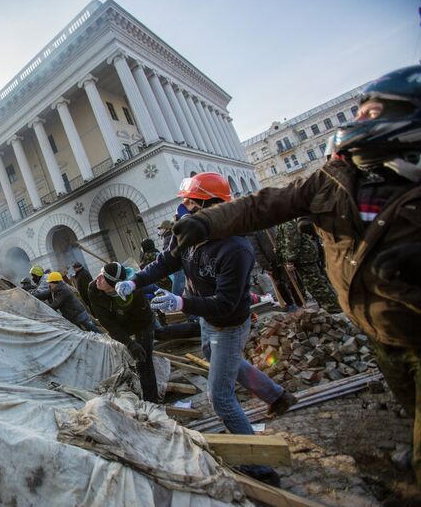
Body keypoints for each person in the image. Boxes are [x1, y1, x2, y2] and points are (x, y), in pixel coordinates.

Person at [168, 66, 421, 482]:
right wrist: (208, 222)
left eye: (371, 115)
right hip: (377, 325)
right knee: (406, 396)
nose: (357, 125)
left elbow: (229, 297)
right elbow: (260, 205)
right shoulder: (332, 180)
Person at [115, 171, 297, 486]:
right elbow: (164, 263)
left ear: (210, 205)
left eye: (189, 202)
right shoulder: (188, 234)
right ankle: (277, 396)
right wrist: (134, 280)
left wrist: (181, 304)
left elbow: (226, 303)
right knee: (221, 362)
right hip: (205, 319)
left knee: (220, 396)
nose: (182, 209)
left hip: (229, 323)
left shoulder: (236, 248)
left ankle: (259, 466)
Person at [87, 262, 159, 402]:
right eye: (100, 274)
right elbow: (107, 322)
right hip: (120, 322)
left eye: (104, 278)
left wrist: (137, 343)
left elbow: (143, 321)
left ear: (114, 285)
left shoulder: (134, 292)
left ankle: (152, 401)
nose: (98, 279)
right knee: (134, 352)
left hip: (142, 322)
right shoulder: (94, 288)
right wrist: (129, 342)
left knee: (143, 360)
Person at [276, 219, 340, 313]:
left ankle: (334, 308)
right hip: (303, 257)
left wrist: (290, 259)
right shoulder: (283, 221)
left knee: (316, 285)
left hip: (304, 257)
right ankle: (331, 306)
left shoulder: (287, 222)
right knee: (316, 284)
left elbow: (292, 240)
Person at [246, 226, 303, 310]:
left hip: (282, 258)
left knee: (292, 281)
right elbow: (256, 251)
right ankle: (290, 304)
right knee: (279, 284)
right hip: (271, 263)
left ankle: (300, 303)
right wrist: (266, 266)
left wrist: (287, 256)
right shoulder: (252, 232)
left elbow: (283, 239)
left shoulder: (271, 225)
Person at [35, 272, 102, 333]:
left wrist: (43, 308)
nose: (49, 284)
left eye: (50, 282)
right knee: (83, 331)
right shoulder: (55, 289)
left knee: (92, 329)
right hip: (73, 315)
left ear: (56, 282)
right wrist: (33, 295)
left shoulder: (63, 290)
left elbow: (55, 304)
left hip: (79, 314)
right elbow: (44, 294)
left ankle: (105, 339)